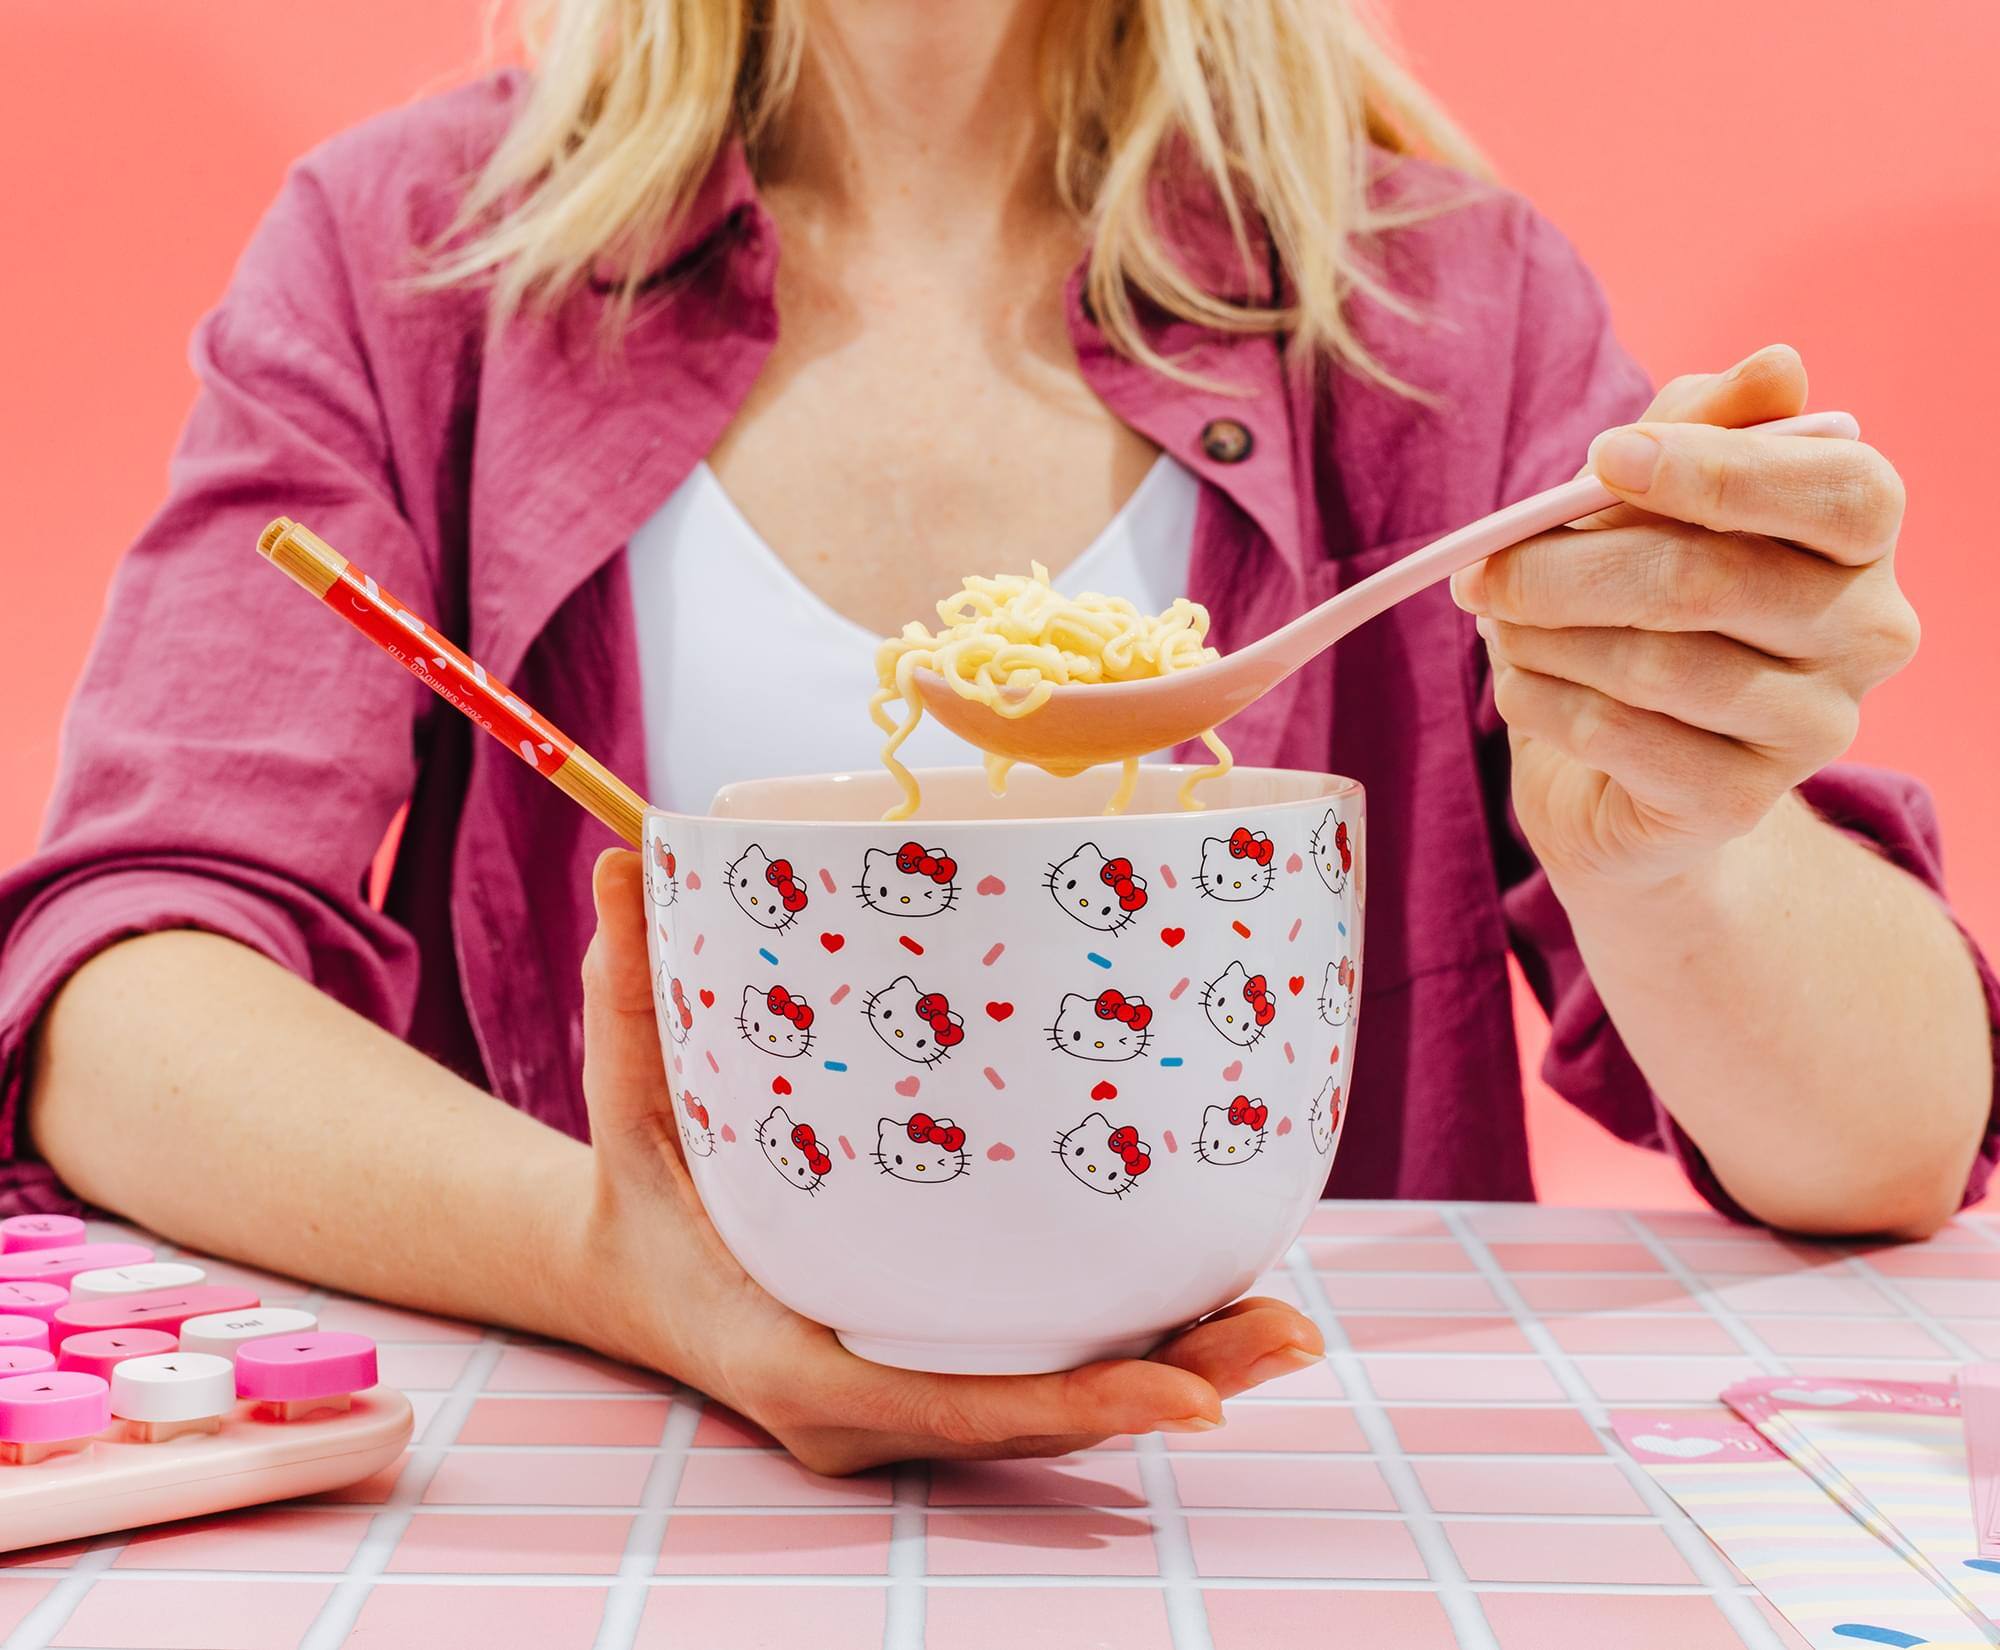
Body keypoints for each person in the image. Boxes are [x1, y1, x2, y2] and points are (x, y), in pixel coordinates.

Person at [2, 0, 1994, 1476]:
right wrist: (622, 1274)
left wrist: (1676, 855)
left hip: (1260, 1501)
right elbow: (126, 994)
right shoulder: (415, 253)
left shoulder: (1436, 300)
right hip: (632, 1480)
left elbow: (1884, 1151)